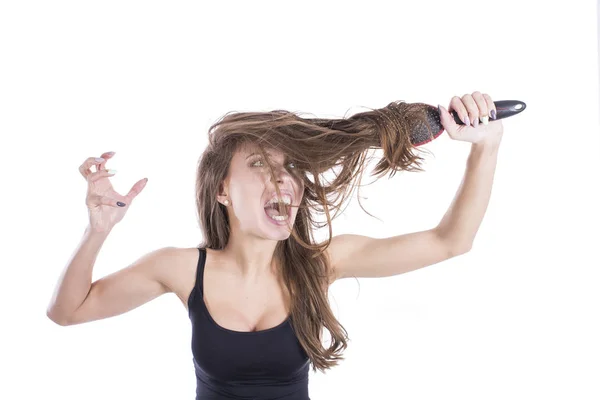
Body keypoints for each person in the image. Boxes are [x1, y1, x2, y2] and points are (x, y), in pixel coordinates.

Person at [46, 91, 503, 400]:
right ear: (222, 191)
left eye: (290, 167)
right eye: (260, 164)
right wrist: (98, 230)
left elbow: (450, 242)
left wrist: (486, 145)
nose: (282, 178)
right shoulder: (183, 269)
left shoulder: (323, 263)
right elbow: (68, 312)